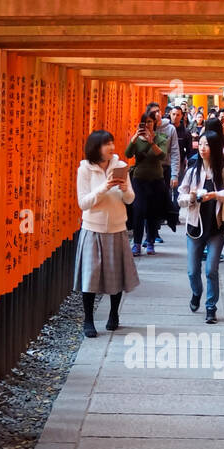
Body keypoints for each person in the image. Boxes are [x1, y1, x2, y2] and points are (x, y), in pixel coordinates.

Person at [74, 130, 139, 337]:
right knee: (90, 276)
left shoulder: (120, 166)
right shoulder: (85, 170)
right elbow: (83, 203)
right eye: (106, 144)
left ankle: (113, 314)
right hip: (92, 228)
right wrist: (104, 187)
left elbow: (130, 199)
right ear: (95, 147)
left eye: (111, 143)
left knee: (115, 274)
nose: (111, 147)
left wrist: (123, 189)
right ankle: (88, 320)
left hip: (117, 227)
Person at [177, 122, 224, 323]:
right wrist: (190, 197)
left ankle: (211, 307)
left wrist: (216, 194)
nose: (203, 147)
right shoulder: (192, 172)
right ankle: (196, 292)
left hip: (216, 227)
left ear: (214, 148)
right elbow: (180, 196)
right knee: (192, 270)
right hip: (195, 228)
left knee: (211, 270)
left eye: (207, 144)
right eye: (201, 143)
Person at [125, 106, 170, 256]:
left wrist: (151, 142)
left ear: (154, 123)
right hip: (139, 179)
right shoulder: (137, 140)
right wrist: (134, 138)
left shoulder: (161, 138)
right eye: (144, 123)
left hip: (156, 179)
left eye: (150, 122)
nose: (148, 125)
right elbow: (128, 153)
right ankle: (137, 243)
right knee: (138, 210)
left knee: (152, 211)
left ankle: (150, 241)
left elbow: (162, 156)